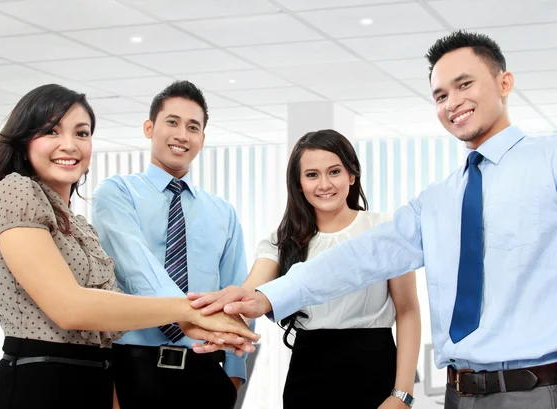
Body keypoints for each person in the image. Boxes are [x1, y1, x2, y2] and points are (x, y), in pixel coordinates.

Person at [189, 30, 557, 409]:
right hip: (459, 394)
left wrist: (401, 392)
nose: (453, 102)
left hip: (540, 388)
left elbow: (406, 309)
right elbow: (357, 259)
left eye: (465, 85)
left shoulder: (548, 163)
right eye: (441, 95)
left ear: (504, 83)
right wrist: (264, 297)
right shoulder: (436, 201)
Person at [0, 83, 258, 409]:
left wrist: (234, 372)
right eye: (52, 131)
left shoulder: (78, 225)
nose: (69, 145)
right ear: (25, 139)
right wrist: (188, 312)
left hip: (100, 379)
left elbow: (104, 319)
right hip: (40, 382)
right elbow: (72, 308)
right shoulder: (17, 192)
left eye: (81, 133)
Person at [221, 129, 422, 408]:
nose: (324, 184)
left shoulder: (384, 230)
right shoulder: (282, 241)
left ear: (352, 175)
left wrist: (402, 394)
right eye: (312, 174)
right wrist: (230, 306)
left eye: (335, 171)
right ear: (299, 184)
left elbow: (408, 310)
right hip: (308, 375)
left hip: (376, 370)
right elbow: (252, 290)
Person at [91, 80, 254, 409]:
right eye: (172, 122)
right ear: (149, 128)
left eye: (193, 127)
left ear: (202, 139)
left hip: (205, 369)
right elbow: (137, 268)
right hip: (133, 366)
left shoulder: (223, 212)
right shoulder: (117, 193)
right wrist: (188, 317)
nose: (182, 134)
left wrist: (233, 378)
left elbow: (237, 294)